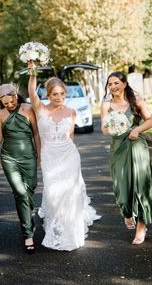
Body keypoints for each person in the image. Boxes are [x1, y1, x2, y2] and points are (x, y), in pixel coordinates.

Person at [27, 61, 101, 251]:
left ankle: (72, 230)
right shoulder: (40, 108)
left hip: (69, 156)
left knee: (70, 192)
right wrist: (32, 72)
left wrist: (74, 156)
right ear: (48, 95)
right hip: (49, 156)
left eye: (62, 93)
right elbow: (31, 92)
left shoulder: (72, 111)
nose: (59, 97)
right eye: (55, 94)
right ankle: (57, 226)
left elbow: (71, 137)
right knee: (53, 193)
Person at [101, 71, 152, 245]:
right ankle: (126, 212)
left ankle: (141, 226)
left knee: (141, 185)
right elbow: (103, 129)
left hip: (137, 146)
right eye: (110, 84)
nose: (113, 87)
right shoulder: (106, 104)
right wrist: (112, 126)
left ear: (124, 84)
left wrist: (137, 129)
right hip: (118, 148)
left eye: (116, 83)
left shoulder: (136, 100)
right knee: (121, 187)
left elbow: (150, 120)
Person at [0, 84, 40, 253]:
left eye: (11, 101)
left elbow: (36, 133)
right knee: (21, 193)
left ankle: (27, 219)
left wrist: (39, 154)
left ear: (16, 95)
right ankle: (28, 234)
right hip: (9, 158)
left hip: (29, 156)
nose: (9, 105)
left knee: (29, 188)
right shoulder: (0, 115)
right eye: (5, 103)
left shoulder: (28, 109)